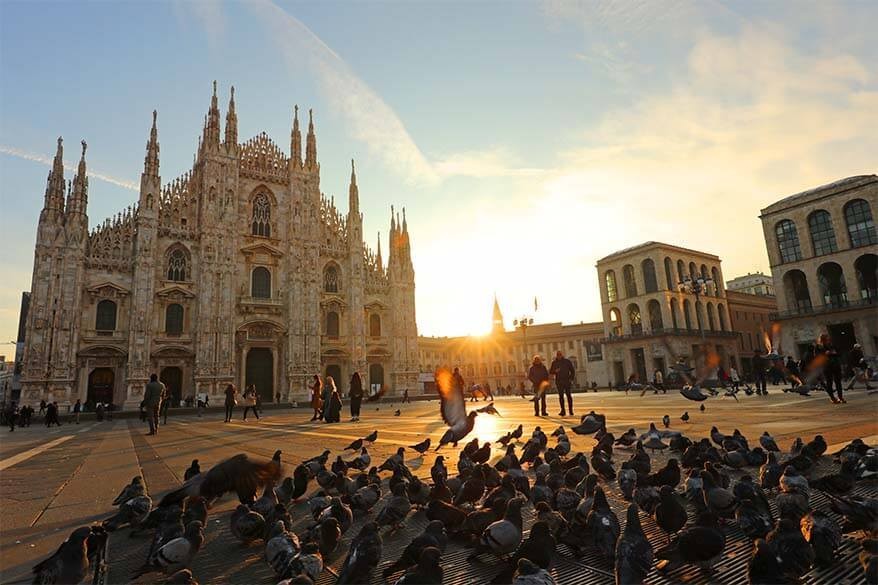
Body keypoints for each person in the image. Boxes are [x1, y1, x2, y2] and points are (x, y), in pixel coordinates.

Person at [816, 333, 845, 403]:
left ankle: (840, 397)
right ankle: (832, 398)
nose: (828, 339)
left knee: (838, 382)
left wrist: (833, 353)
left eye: (828, 338)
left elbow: (839, 353)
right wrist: (824, 354)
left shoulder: (832, 345)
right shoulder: (819, 347)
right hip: (826, 366)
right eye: (826, 338)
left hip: (835, 365)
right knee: (829, 383)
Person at [549, 350, 576, 416]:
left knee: (568, 395)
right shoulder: (554, 362)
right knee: (561, 396)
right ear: (557, 355)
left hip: (567, 380)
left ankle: (570, 410)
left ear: (562, 355)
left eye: (560, 355)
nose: (559, 356)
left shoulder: (567, 361)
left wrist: (571, 379)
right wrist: (555, 371)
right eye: (558, 355)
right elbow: (551, 372)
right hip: (559, 381)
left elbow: (572, 370)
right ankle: (563, 410)